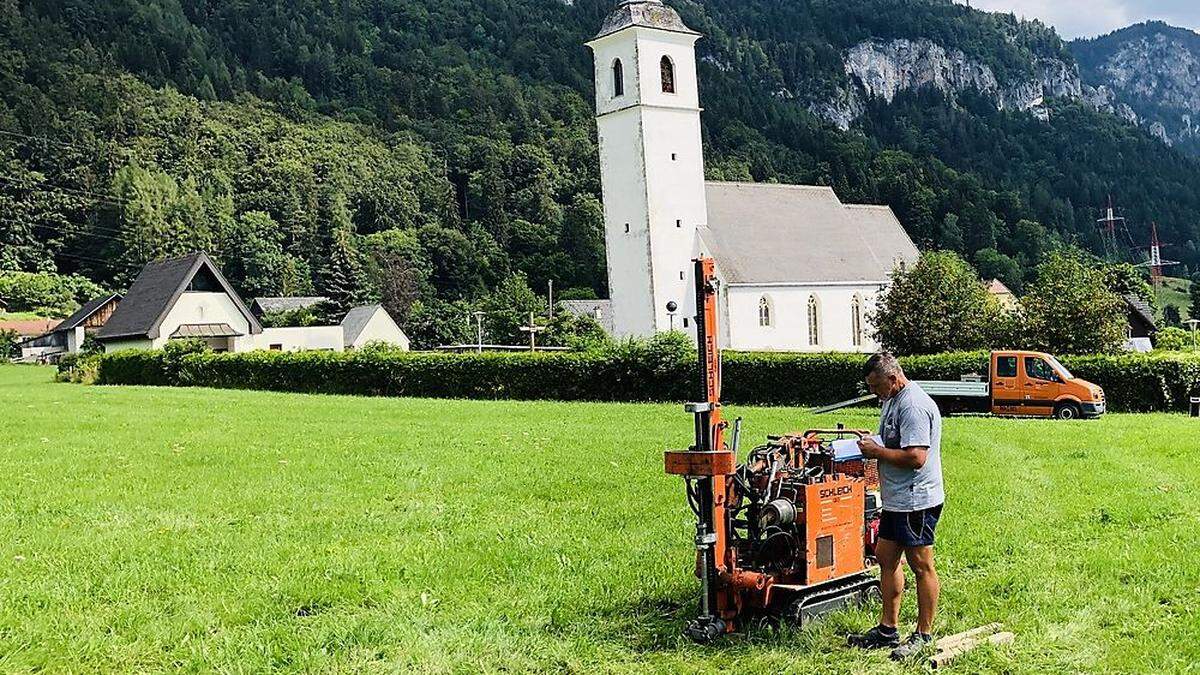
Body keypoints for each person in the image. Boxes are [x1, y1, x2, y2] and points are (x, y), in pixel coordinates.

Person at [847, 352, 945, 661]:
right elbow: (895, 441)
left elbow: (916, 457)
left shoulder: (912, 405)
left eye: (876, 386)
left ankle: (924, 635)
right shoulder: (892, 398)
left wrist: (876, 451)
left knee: (921, 565)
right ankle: (888, 630)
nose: (874, 392)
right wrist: (874, 441)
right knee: (885, 556)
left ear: (893, 378)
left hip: (917, 499)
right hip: (897, 499)